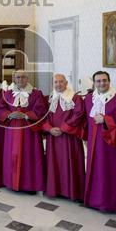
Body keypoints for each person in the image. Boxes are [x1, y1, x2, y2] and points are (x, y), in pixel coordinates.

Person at [83, 71, 116, 212]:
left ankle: (112, 203)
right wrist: (85, 136)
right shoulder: (89, 98)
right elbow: (85, 119)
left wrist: (106, 120)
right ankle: (94, 200)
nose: (102, 83)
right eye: (98, 81)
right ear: (94, 83)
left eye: (104, 80)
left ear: (109, 81)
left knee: (110, 170)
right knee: (94, 169)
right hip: (93, 141)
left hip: (110, 141)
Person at [0, 70, 47, 193]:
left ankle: (30, 185)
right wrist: (9, 115)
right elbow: (0, 108)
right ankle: (11, 182)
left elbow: (41, 110)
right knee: (11, 155)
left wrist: (25, 115)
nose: (20, 80)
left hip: (29, 131)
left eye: (23, 77)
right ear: (14, 78)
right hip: (12, 130)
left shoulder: (36, 94)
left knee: (29, 156)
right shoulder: (8, 94)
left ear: (27, 78)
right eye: (18, 77)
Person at [43, 73, 85, 201]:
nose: (58, 84)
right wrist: (49, 128)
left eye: (61, 82)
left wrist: (63, 128)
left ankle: (72, 191)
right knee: (54, 163)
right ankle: (55, 189)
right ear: (53, 84)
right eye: (56, 82)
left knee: (70, 162)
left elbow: (79, 115)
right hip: (53, 137)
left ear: (66, 83)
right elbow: (43, 117)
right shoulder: (49, 98)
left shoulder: (75, 98)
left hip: (69, 137)